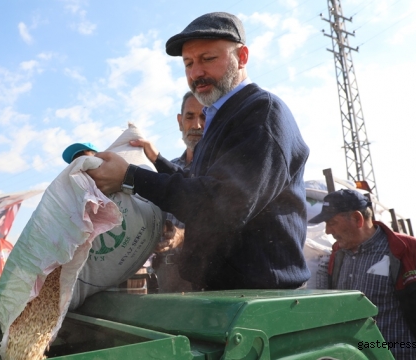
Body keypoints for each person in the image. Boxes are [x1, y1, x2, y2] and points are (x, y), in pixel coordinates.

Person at [88, 12, 310, 290]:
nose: (196, 73)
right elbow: (200, 187)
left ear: (242, 57)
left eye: (208, 59)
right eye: (188, 64)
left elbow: (224, 205)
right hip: (221, 291)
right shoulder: (220, 118)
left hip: (260, 296)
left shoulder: (261, 113)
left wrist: (131, 177)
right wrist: (155, 162)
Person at [309, 189, 416, 360]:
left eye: (332, 222)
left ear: (357, 219)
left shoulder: (406, 250)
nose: (327, 231)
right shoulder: (337, 255)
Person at [146, 91, 204, 292]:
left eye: (204, 116)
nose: (196, 125)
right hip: (165, 275)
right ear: (180, 122)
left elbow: (223, 222)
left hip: (202, 276)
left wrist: (182, 236)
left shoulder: (217, 169)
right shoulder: (166, 168)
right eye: (190, 116)